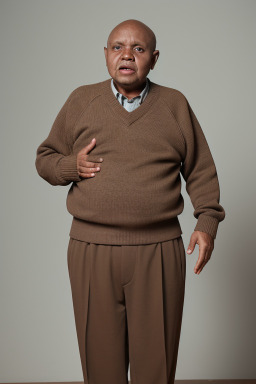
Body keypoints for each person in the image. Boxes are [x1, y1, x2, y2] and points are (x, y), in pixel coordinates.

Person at [35, 19, 225, 384]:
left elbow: (201, 170)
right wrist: (69, 166)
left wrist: (206, 225)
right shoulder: (81, 100)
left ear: (154, 59)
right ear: (106, 55)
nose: (127, 55)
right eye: (117, 47)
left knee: (156, 362)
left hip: (159, 249)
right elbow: (45, 158)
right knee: (100, 361)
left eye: (138, 49)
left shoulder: (174, 104)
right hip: (91, 248)